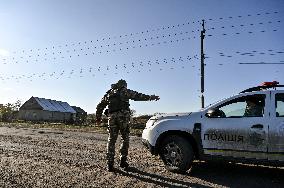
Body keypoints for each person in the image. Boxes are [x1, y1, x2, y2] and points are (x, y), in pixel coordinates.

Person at [95, 79, 160, 172]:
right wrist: (151, 97)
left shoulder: (109, 93)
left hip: (112, 118)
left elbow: (100, 106)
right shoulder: (125, 91)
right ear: (124, 85)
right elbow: (138, 96)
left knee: (111, 140)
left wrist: (98, 118)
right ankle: (123, 161)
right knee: (125, 139)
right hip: (123, 118)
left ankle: (109, 164)